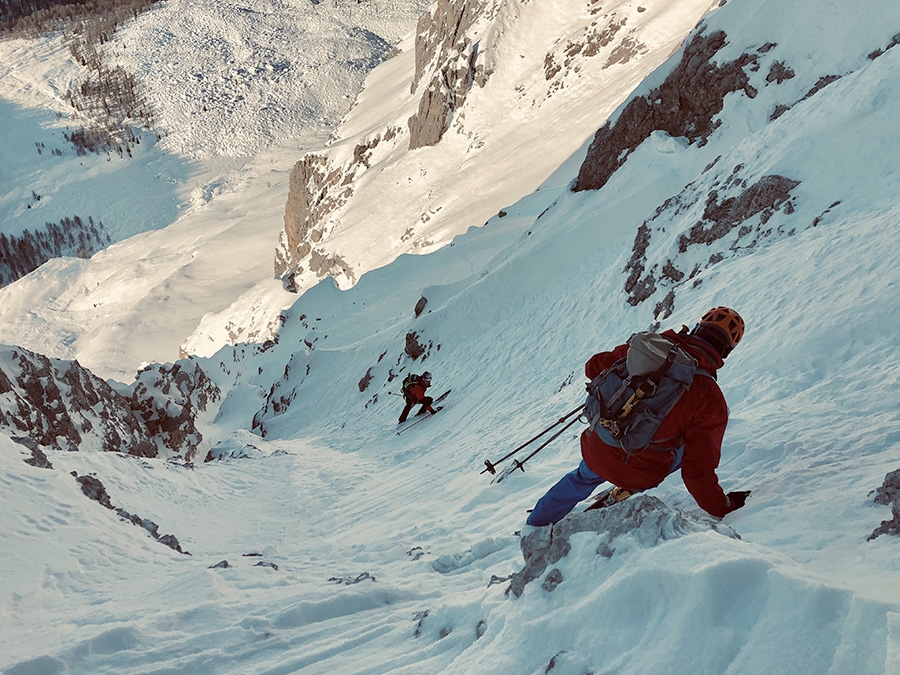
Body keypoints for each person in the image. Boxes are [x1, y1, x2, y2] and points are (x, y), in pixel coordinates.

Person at [526, 307, 751, 527]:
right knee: (687, 449)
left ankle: (536, 523)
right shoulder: (709, 397)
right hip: (641, 471)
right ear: (725, 351)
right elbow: (697, 471)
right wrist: (723, 507)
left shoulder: (648, 348)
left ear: (696, 329)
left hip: (599, 446)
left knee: (581, 478)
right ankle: (628, 486)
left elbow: (593, 367)